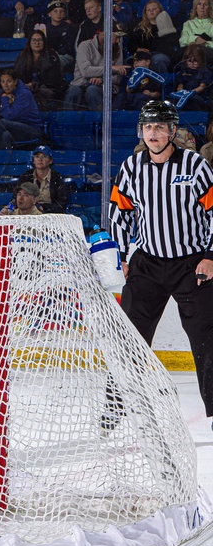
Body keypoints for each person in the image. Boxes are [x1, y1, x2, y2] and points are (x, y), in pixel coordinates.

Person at [110, 100, 213, 423]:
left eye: (159, 127)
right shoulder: (131, 167)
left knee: (206, 339)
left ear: (172, 131)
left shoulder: (196, 166)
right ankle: (115, 407)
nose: (153, 133)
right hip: (148, 264)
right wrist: (122, 256)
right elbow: (119, 213)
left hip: (192, 265)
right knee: (128, 337)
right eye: (148, 127)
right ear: (141, 131)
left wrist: (211, 255)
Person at [65, 28, 129, 111]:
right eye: (116, 38)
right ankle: (67, 120)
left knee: (92, 90)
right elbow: (85, 71)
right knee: (73, 91)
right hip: (81, 83)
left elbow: (118, 77)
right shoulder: (85, 45)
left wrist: (102, 79)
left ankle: (99, 121)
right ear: (104, 35)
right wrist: (110, 68)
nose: (118, 41)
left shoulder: (117, 48)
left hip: (104, 86)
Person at [13, 29, 68, 110]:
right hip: (27, 89)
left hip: (48, 90)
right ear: (29, 42)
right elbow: (16, 75)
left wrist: (35, 85)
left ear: (44, 42)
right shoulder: (22, 56)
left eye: (39, 40)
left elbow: (54, 79)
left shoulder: (52, 56)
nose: (37, 43)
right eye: (34, 40)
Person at [0, 68, 43, 150]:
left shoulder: (24, 94)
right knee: (6, 135)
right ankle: (3, 161)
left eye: (9, 81)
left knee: (3, 123)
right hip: (15, 128)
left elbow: (9, 116)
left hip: (31, 129)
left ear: (15, 81)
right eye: (3, 81)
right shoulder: (2, 93)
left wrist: (5, 100)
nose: (5, 85)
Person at [129, 0, 178, 73]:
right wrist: (138, 49)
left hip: (160, 54)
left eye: (154, 9)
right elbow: (131, 45)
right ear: (146, 13)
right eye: (148, 10)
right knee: (130, 60)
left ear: (160, 10)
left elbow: (170, 44)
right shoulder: (140, 29)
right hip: (143, 54)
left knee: (158, 60)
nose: (151, 11)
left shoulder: (168, 25)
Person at [17, 145, 69, 213]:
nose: (40, 159)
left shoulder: (57, 178)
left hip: (49, 214)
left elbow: (61, 203)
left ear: (50, 161)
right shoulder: (26, 177)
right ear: (33, 160)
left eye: (44, 156)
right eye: (37, 156)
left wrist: (43, 208)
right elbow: (16, 197)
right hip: (28, 213)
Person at [170, 45, 212, 111]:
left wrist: (191, 93)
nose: (192, 63)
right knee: (171, 99)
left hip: (197, 95)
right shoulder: (183, 71)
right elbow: (180, 85)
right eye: (189, 61)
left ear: (200, 59)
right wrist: (181, 92)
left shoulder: (205, 72)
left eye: (195, 61)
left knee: (193, 100)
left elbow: (202, 87)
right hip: (182, 94)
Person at [42, 0, 77, 72]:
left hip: (65, 56)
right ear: (49, 14)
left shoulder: (70, 28)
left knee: (53, 62)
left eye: (61, 11)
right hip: (47, 56)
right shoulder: (44, 28)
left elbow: (69, 46)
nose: (58, 14)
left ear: (64, 14)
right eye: (55, 11)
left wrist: (56, 53)